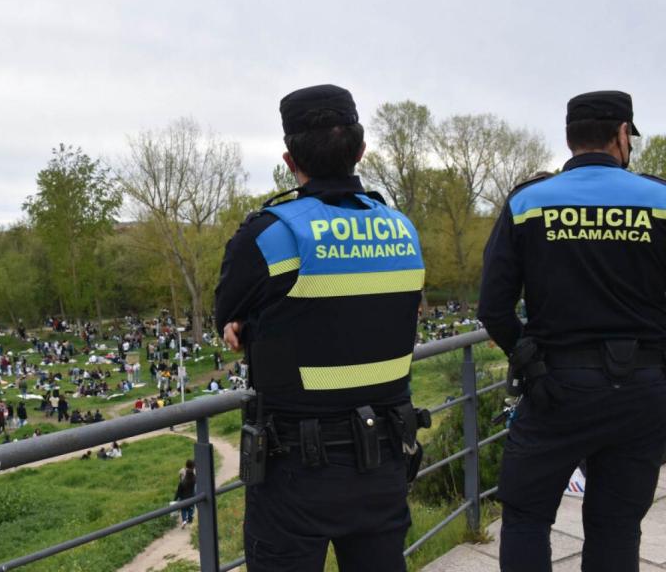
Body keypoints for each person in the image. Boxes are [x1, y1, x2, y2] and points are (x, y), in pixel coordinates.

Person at [215, 84, 426, 571]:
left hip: (296, 470)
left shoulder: (270, 233)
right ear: (360, 151)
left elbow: (225, 317)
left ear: (290, 161)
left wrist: (248, 323)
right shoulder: (402, 228)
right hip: (387, 457)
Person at [478, 90, 666, 572]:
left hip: (555, 390)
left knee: (525, 516)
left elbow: (493, 307)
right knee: (618, 525)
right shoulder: (660, 199)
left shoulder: (529, 202)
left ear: (569, 138)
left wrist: (529, 362)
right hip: (643, 392)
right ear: (622, 135)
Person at [174, 459, 196, 527]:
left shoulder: (182, 482)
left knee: (183, 509)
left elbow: (178, 491)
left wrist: (175, 499)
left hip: (183, 497)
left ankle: (184, 521)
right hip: (191, 496)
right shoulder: (194, 478)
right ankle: (190, 519)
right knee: (191, 508)